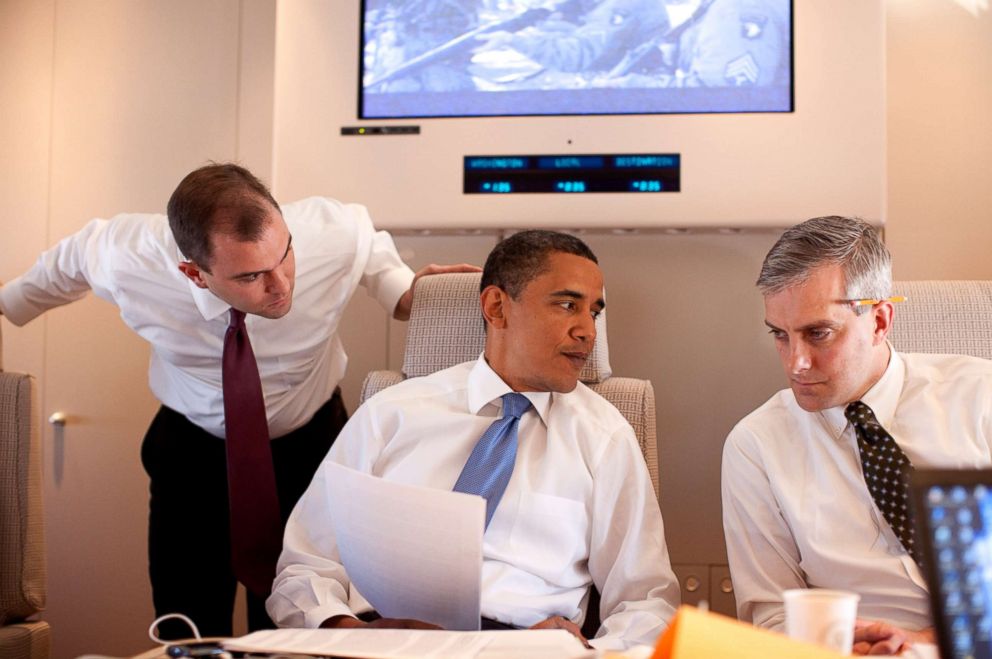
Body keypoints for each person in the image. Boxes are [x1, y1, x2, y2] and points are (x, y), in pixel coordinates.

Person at [0, 163, 478, 638]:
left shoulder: (336, 231)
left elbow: (396, 290)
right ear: (194, 273)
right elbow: (39, 283)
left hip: (311, 448)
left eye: (284, 258)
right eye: (251, 277)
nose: (281, 286)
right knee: (187, 621)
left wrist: (420, 293)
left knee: (308, 623)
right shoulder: (125, 256)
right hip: (192, 452)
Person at [267, 230, 680, 650]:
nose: (587, 331)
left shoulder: (605, 437)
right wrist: (349, 634)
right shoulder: (390, 415)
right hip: (384, 642)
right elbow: (304, 569)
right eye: (567, 304)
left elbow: (646, 602)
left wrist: (583, 652)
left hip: (523, 647)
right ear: (496, 307)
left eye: (594, 312)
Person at [721, 216, 992, 655]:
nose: (796, 364)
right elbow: (769, 619)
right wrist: (839, 643)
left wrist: (928, 644)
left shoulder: (982, 398)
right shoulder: (757, 446)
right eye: (780, 336)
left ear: (880, 320)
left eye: (818, 334)